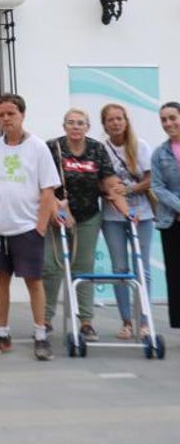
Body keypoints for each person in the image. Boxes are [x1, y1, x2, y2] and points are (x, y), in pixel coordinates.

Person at [0, 93, 60, 361]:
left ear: (22, 114)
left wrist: (39, 226)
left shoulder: (38, 147)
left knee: (33, 282)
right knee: (1, 280)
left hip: (27, 227)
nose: (5, 119)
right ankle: (2, 334)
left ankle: (40, 335)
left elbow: (48, 190)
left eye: (10, 114)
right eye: (1, 114)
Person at [44, 108, 128, 342]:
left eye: (80, 123)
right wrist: (59, 209)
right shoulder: (53, 147)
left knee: (84, 269)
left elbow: (109, 181)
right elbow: (44, 184)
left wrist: (126, 210)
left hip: (89, 217)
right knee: (51, 268)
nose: (75, 127)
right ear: (64, 126)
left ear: (88, 127)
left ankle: (86, 322)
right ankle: (45, 320)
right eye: (71, 123)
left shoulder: (96, 149)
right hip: (57, 215)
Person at [99, 103, 156, 339]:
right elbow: (99, 181)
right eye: (110, 119)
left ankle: (144, 321)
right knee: (119, 269)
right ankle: (126, 322)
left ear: (126, 121)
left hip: (141, 215)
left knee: (142, 269)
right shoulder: (101, 149)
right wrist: (111, 194)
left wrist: (128, 190)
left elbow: (150, 179)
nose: (115, 123)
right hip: (112, 217)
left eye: (119, 118)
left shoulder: (140, 146)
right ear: (104, 124)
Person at [150, 101, 180, 329]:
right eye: (164, 119)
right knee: (176, 276)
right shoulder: (159, 154)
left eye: (172, 117)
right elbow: (158, 187)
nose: (168, 123)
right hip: (172, 222)